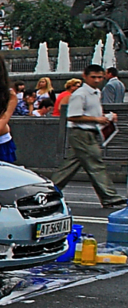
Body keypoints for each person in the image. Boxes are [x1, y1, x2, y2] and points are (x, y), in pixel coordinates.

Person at [51, 64, 126, 210]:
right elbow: (72, 116)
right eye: (93, 77)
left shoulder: (95, 92)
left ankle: (48, 191)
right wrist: (97, 120)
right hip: (81, 133)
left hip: (87, 133)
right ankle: (110, 197)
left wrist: (107, 117)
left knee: (69, 167)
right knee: (96, 164)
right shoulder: (80, 94)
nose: (97, 80)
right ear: (84, 76)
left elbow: (92, 114)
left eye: (100, 77)